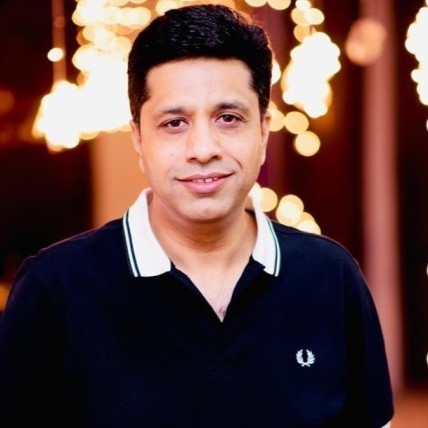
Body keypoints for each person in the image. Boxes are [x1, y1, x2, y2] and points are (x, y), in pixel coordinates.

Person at [0, 4, 394, 427]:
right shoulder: (54, 288)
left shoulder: (330, 276)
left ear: (263, 131)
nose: (203, 149)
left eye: (228, 118)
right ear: (139, 138)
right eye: (174, 123)